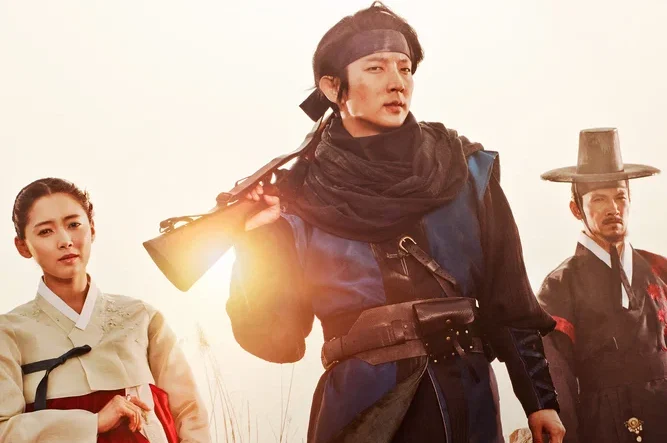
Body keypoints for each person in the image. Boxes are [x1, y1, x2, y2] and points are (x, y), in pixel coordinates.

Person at [227, 3, 564, 442]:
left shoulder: (463, 171)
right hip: (360, 415)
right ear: (332, 86)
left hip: (467, 408)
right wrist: (256, 245)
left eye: (405, 68)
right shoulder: (298, 196)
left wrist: (540, 400)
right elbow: (279, 341)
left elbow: (511, 298)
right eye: (375, 67)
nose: (396, 82)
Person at [0, 178, 211, 442]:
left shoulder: (142, 317)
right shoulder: (8, 331)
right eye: (45, 231)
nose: (65, 241)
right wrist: (93, 423)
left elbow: (190, 415)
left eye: (73, 225)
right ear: (22, 246)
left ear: (92, 229)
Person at [537, 127, 666, 442]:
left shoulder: (659, 270)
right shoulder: (560, 286)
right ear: (576, 209)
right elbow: (558, 377)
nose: (613, 209)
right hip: (603, 424)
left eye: (620, 197)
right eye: (599, 199)